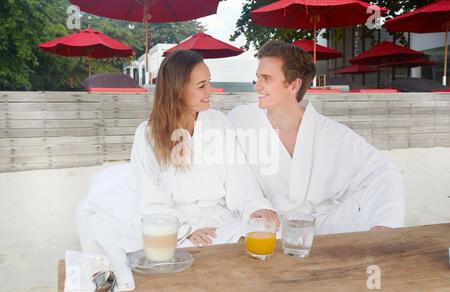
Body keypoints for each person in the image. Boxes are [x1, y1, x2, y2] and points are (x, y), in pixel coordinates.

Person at [76, 50, 275, 255]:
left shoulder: (219, 122)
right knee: (187, 254)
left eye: (209, 82)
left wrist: (254, 207)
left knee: (262, 235)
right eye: (201, 86)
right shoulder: (148, 134)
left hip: (220, 217)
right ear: (178, 90)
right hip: (172, 220)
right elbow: (150, 199)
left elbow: (239, 178)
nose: (210, 91)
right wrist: (185, 229)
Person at [228, 40, 405, 235]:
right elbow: (229, 173)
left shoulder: (329, 133)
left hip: (319, 225)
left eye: (266, 79)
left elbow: (382, 170)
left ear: (293, 85)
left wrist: (384, 222)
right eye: (257, 78)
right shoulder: (241, 119)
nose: (257, 86)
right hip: (267, 223)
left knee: (371, 197)